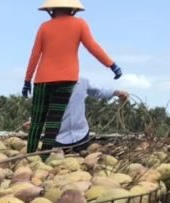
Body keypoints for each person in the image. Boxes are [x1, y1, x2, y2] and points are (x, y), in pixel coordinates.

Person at [23, 0, 122, 154]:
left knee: (39, 120)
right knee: (54, 120)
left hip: (42, 79)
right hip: (67, 77)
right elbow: (93, 47)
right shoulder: (80, 24)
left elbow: (34, 55)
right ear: (73, 10)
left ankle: (32, 154)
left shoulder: (44, 27)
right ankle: (43, 157)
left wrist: (27, 80)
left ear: (52, 11)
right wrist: (112, 65)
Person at [54, 76, 130, 152]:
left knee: (81, 161)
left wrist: (116, 92)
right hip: (58, 138)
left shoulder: (82, 81)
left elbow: (98, 91)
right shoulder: (48, 84)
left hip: (81, 135)